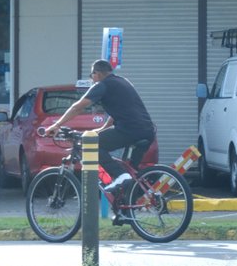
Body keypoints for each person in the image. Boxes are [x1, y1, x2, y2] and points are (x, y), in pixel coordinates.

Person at [44, 59, 156, 191]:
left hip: (130, 130)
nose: (91, 78)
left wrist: (56, 125)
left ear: (97, 73)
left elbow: (78, 107)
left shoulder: (102, 85)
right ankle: (128, 206)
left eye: (91, 75)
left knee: (90, 145)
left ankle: (120, 175)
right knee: (132, 175)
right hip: (148, 131)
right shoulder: (123, 81)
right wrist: (102, 130)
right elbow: (120, 111)